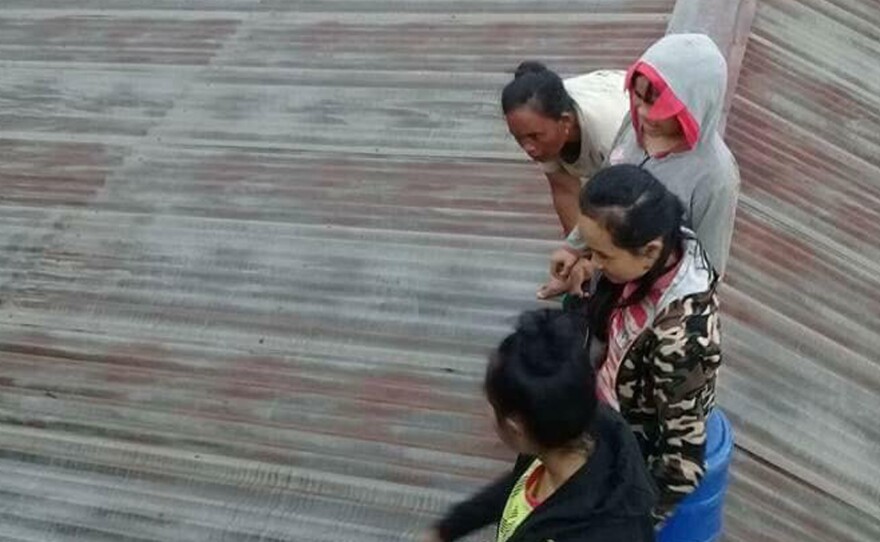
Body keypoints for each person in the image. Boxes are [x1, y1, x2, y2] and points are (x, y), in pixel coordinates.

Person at [423, 309, 656, 542]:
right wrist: (450, 527)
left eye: (491, 400)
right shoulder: (566, 426)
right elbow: (516, 489)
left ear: (516, 428)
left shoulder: (604, 533)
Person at [576, 164, 722, 524]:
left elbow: (681, 461)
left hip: (630, 447)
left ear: (649, 250)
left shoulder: (683, 341)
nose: (593, 263)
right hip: (600, 411)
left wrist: (634, 523)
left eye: (603, 255)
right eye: (589, 250)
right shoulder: (646, 259)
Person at [549, 33, 740, 298]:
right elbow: (603, 199)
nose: (643, 112)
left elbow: (707, 270)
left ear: (693, 107)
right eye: (638, 97)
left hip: (650, 300)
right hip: (604, 277)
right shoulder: (633, 126)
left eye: (657, 105)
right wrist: (574, 247)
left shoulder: (716, 177)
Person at [501, 63, 630, 299]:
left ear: (566, 122)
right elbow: (564, 191)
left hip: (629, 111)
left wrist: (600, 261)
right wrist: (577, 260)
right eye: (518, 138)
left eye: (534, 137)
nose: (528, 147)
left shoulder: (611, 135)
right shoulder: (539, 125)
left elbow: (620, 202)